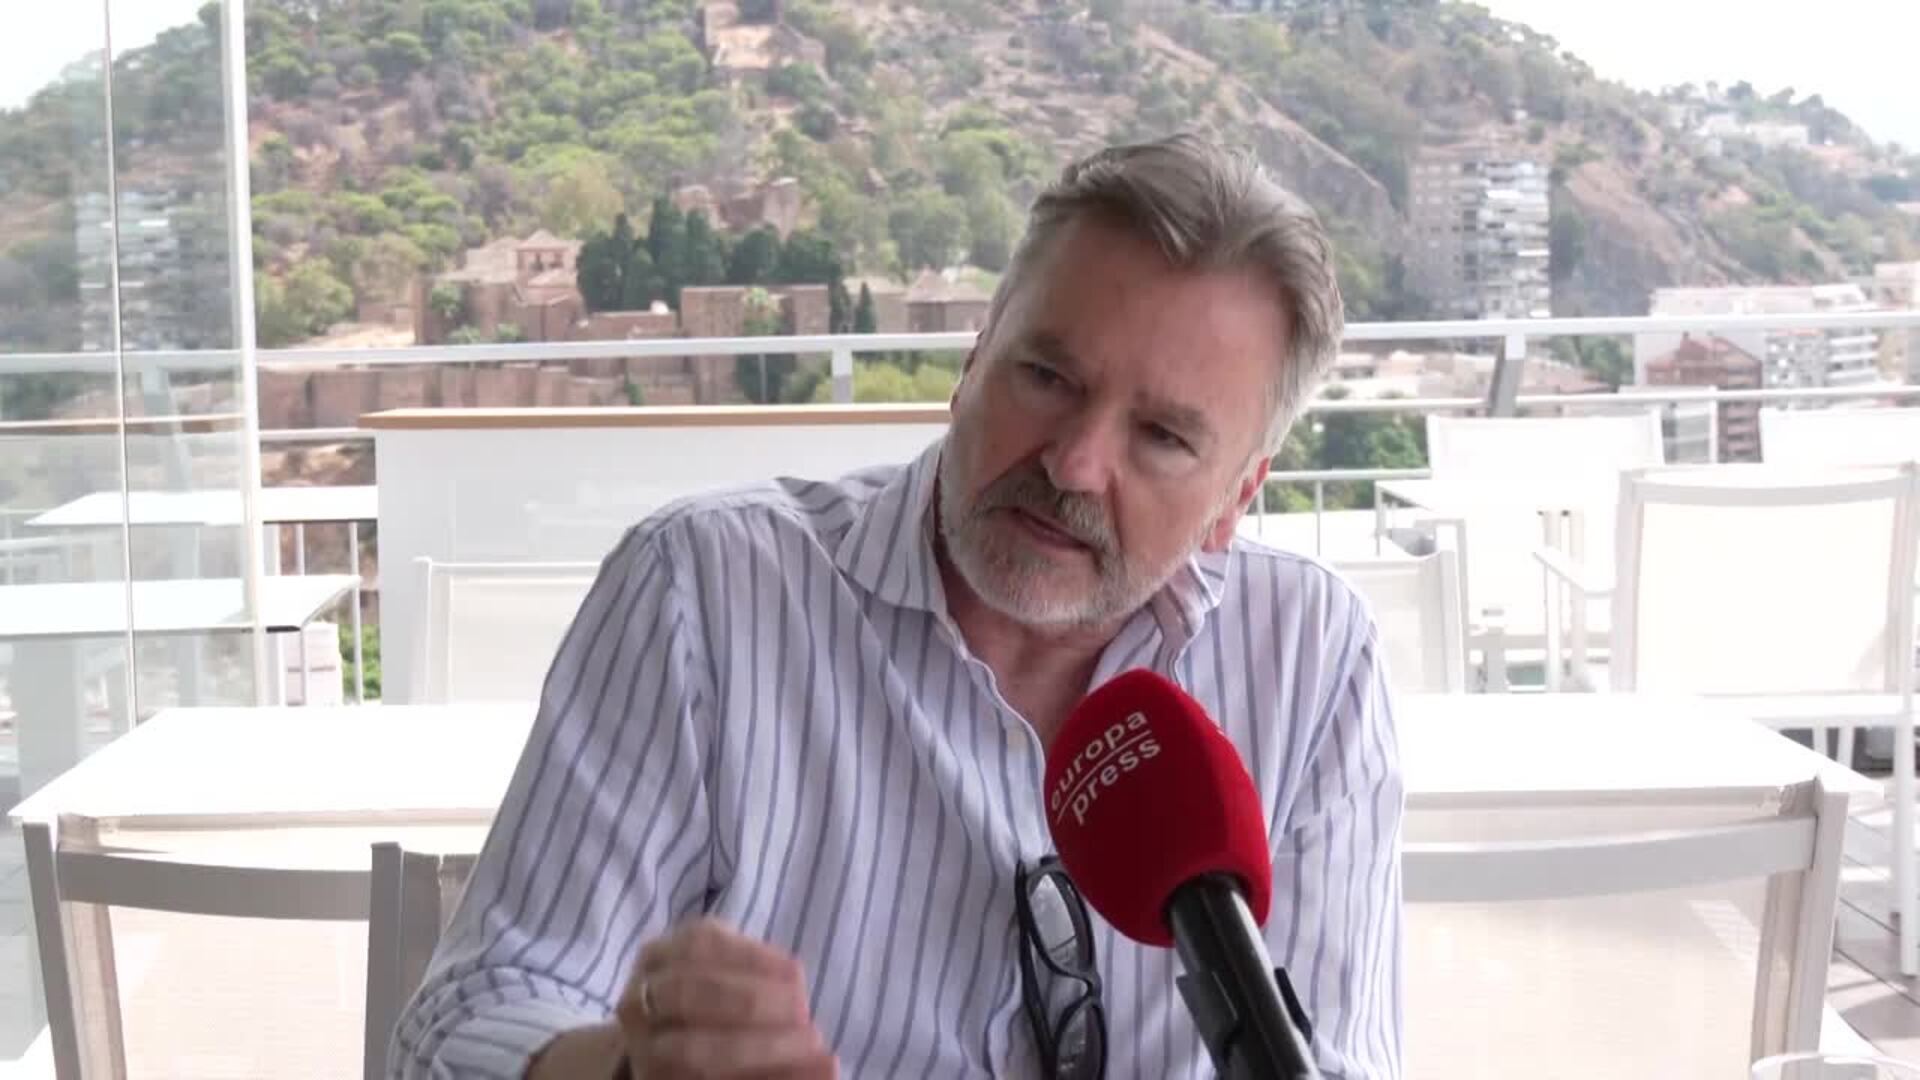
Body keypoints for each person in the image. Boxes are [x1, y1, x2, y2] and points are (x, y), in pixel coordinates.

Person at [393, 133, 1402, 1079]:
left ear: (1236, 497)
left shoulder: (1310, 658)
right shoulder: (705, 592)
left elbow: (1346, 1059)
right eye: (1047, 376)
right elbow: (465, 1023)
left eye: (1163, 438)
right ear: (972, 362)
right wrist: (625, 1066)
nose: (1075, 464)